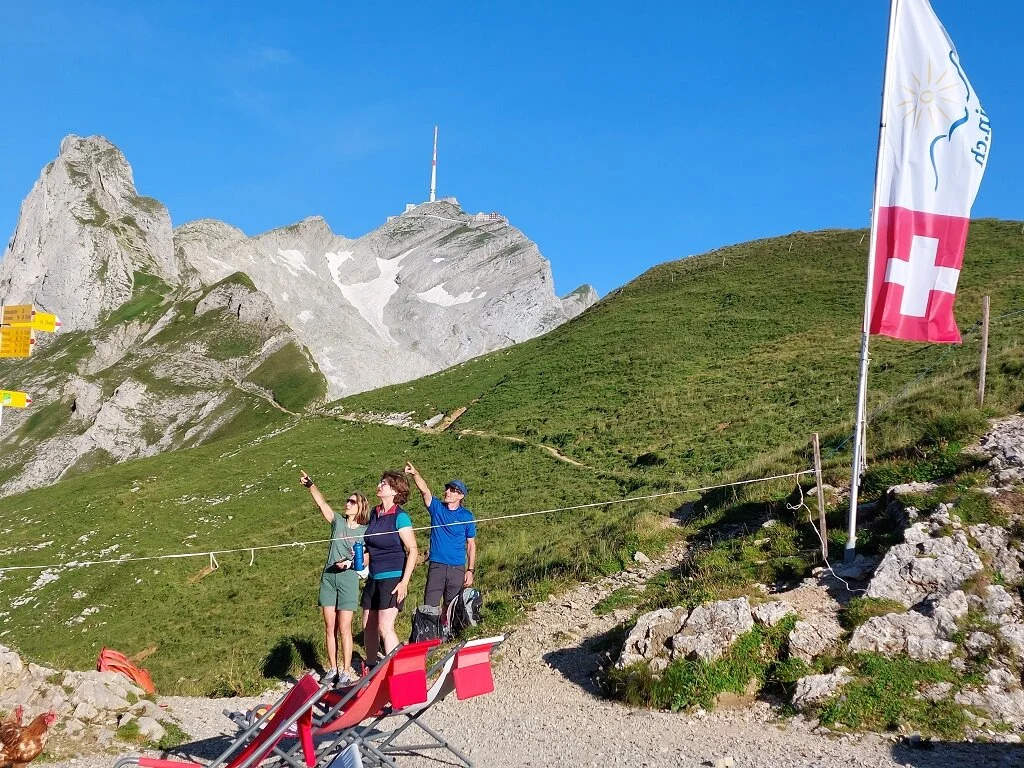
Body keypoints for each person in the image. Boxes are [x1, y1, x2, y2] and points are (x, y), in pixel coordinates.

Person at [299, 470, 369, 686]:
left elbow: (367, 557)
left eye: (352, 502)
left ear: (360, 508)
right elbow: (323, 505)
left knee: (344, 627)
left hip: (348, 579)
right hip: (329, 578)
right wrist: (311, 485)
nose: (347, 504)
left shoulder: (366, 531)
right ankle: (332, 669)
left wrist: (350, 563)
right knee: (329, 626)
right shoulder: (337, 522)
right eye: (347, 501)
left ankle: (346, 671)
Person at [404, 462, 476, 629]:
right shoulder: (437, 508)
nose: (447, 492)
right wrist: (415, 474)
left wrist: (470, 570)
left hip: (457, 567)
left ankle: (448, 634)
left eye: (452, 490)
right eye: (447, 489)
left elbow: (471, 544)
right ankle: (429, 635)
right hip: (437, 565)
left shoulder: (467, 516)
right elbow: (425, 491)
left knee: (452, 605)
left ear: (461, 496)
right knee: (430, 605)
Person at [361, 469, 418, 664]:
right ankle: (370, 670)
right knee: (368, 627)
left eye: (384, 483)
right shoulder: (375, 513)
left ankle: (397, 670)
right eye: (380, 481)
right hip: (373, 577)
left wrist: (404, 583)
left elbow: (413, 550)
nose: (379, 485)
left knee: (385, 627)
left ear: (395, 491)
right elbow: (371, 548)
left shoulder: (400, 516)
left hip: (393, 577)